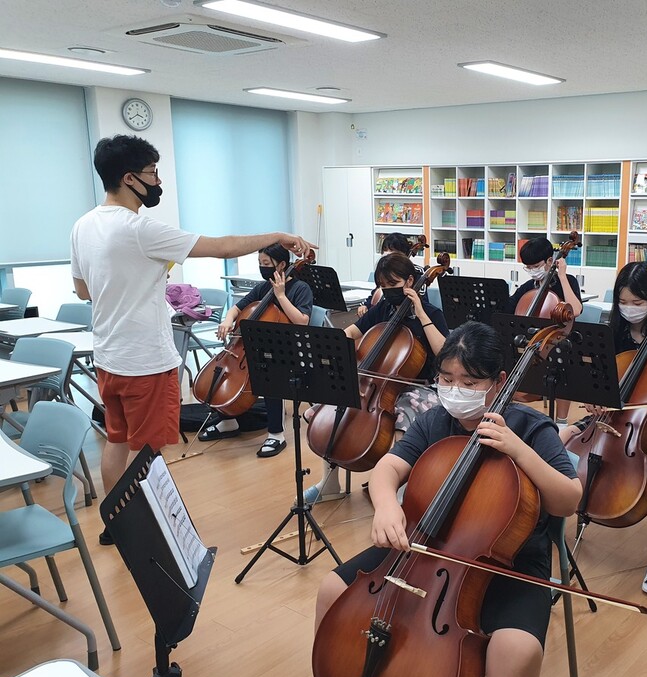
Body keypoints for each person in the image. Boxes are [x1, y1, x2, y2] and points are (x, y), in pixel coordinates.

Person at [303, 321, 582, 677]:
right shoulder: (434, 421)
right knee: (333, 588)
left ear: (499, 381)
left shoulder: (530, 427)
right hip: (425, 545)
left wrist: (518, 450)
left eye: (469, 381)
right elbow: (387, 469)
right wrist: (385, 507)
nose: (455, 390)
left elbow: (568, 500)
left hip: (509, 563)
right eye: (447, 379)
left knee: (516, 651)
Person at [70, 134, 314, 545]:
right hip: (145, 360)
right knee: (147, 451)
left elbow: (83, 291)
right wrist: (279, 234)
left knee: (117, 440)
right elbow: (220, 247)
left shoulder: (83, 225)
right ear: (129, 178)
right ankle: (144, 529)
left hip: (107, 355)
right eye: (152, 173)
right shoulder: (138, 228)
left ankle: (116, 522)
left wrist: (132, 281)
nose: (158, 180)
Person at [559, 261, 647, 596]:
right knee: (557, 437)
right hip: (613, 415)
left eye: (638, 303)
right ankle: (548, 528)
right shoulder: (613, 330)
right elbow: (597, 382)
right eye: (624, 302)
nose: (630, 309)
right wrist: (596, 399)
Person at [303, 252, 449, 505]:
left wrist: (421, 314)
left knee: (404, 415)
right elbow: (352, 332)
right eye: (382, 286)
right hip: (377, 384)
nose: (387, 291)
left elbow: (446, 355)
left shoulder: (432, 313)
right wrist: (334, 347)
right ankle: (329, 483)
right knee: (329, 408)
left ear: (410, 281)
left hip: (421, 387)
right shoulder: (383, 307)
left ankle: (401, 490)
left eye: (393, 285)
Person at [197, 243, 313, 457]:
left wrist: (280, 296)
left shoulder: (300, 288)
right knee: (223, 374)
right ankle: (228, 421)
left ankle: (276, 434)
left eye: (266, 264)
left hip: (288, 350)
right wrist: (228, 320)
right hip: (255, 348)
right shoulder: (263, 287)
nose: (263, 267)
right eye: (260, 263)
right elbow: (239, 307)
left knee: (270, 373)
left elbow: (302, 321)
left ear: (282, 265)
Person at [505, 236, 583, 423]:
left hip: (561, 341)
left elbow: (576, 310)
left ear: (550, 261)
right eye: (528, 267)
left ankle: (562, 421)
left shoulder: (567, 281)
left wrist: (562, 275)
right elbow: (509, 313)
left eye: (536, 266)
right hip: (533, 342)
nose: (532, 271)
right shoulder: (527, 288)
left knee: (565, 362)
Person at [356, 232, 424, 317]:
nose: (387, 255)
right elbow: (377, 291)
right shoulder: (384, 271)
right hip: (383, 315)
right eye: (385, 251)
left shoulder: (417, 272)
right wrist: (365, 305)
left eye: (392, 252)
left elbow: (423, 301)